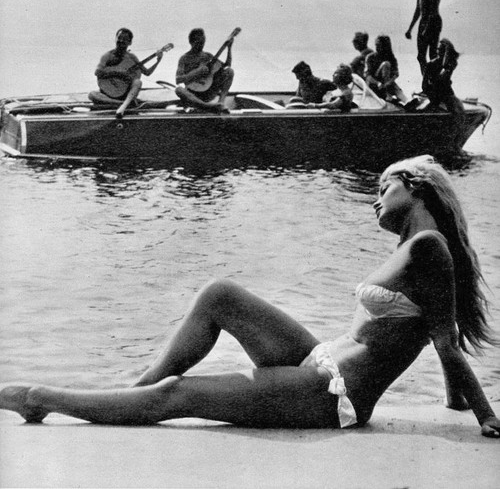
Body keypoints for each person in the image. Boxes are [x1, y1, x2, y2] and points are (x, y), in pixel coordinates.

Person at [1, 155, 499, 437]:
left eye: (383, 188)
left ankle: (38, 398)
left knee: (179, 395)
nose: (374, 199)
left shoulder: (429, 247)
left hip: (332, 397)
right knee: (220, 294)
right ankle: (133, 395)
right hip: (319, 361)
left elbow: (445, 340)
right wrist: (453, 403)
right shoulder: (414, 246)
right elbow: (438, 329)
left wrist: (485, 417)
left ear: (414, 187)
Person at [92, 28, 163, 119]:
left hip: (124, 93)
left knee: (138, 82)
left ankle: (123, 106)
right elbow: (97, 72)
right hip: (108, 93)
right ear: (115, 39)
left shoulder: (132, 57)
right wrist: (117, 74)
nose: (121, 41)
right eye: (119, 38)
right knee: (92, 94)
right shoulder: (108, 55)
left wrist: (158, 61)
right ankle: (125, 104)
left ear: (130, 42)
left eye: (125, 39)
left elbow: (147, 72)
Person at [175, 28, 234, 113]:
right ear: (191, 42)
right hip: (193, 94)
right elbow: (178, 80)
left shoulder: (207, 56)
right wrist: (196, 73)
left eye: (203, 42)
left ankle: (220, 103)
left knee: (229, 71)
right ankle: (208, 107)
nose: (201, 45)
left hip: (208, 91)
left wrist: (229, 48)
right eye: (198, 43)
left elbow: (227, 66)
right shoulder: (184, 58)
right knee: (179, 90)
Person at [405, 0, 442, 76]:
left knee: (433, 55)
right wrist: (410, 29)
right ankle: (426, 82)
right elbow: (418, 9)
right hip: (423, 21)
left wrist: (427, 28)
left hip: (434, 21)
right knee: (420, 56)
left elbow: (433, 8)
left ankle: (435, 83)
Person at [365, 35, 407, 103]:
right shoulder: (370, 57)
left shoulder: (391, 58)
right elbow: (368, 76)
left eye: (379, 45)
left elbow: (396, 74)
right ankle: (388, 95)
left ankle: (406, 101)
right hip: (374, 85)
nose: (377, 47)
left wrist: (388, 82)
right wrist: (378, 83)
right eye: (376, 45)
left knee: (394, 87)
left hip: (386, 84)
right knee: (386, 64)